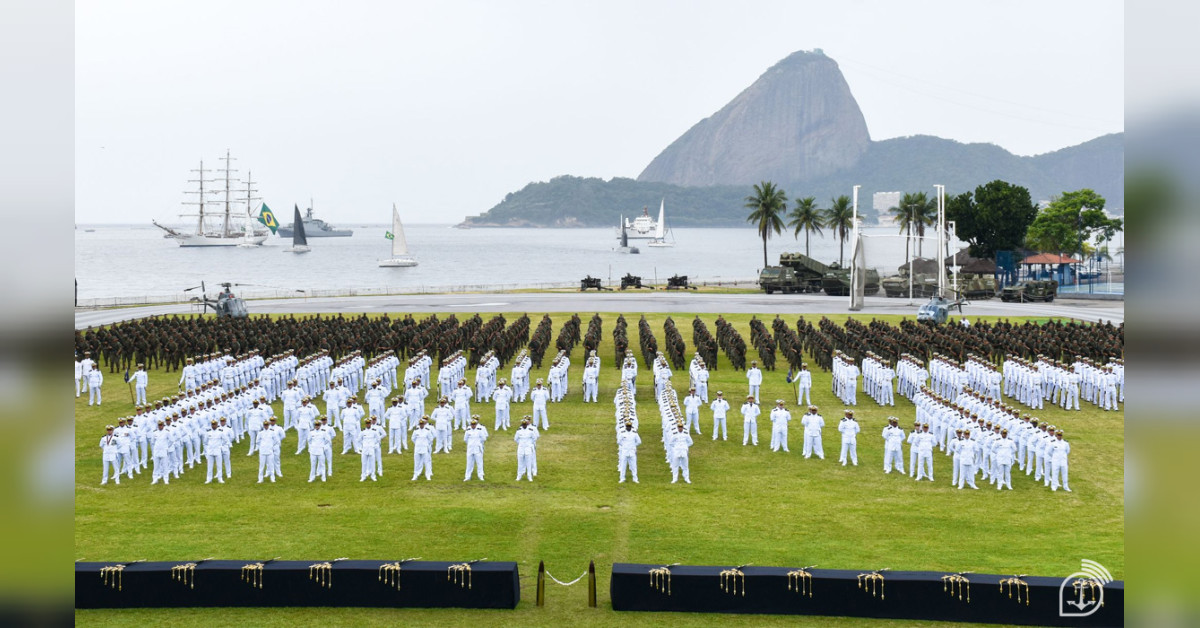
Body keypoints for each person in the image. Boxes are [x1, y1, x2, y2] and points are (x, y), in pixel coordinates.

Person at [463, 415, 489, 481]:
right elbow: (465, 439)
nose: (473, 426)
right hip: (470, 449)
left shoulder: (479, 429)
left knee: (479, 463)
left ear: (476, 424)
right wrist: (470, 444)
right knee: (469, 463)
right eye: (472, 424)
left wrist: (478, 443)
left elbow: (483, 438)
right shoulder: (468, 429)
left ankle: (480, 476)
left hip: (477, 448)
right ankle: (467, 476)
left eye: (474, 424)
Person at [410, 416, 435, 481]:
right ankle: (415, 475)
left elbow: (431, 438)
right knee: (416, 463)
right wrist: (417, 443)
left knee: (426, 462)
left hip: (424, 448)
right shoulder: (416, 431)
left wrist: (426, 444)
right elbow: (413, 438)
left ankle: (428, 475)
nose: (421, 425)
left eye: (422, 424)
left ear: (424, 424)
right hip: (417, 448)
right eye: (420, 424)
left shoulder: (427, 431)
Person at [514, 416, 539, 481]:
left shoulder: (530, 431)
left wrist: (529, 444)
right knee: (520, 462)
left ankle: (529, 476)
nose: (524, 426)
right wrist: (521, 443)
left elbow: (534, 438)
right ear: (522, 424)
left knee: (529, 462)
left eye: (525, 425)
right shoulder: (519, 431)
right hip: (521, 448)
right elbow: (516, 439)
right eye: (523, 425)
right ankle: (519, 476)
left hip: (528, 448)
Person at [203, 420, 225, 484]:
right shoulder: (208, 432)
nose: (213, 426)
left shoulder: (220, 432)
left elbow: (225, 440)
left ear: (217, 425)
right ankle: (209, 479)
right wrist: (207, 449)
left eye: (215, 424)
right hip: (210, 451)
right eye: (212, 425)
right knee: (209, 466)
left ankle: (220, 478)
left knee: (219, 466)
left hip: (217, 451)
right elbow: (205, 442)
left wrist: (221, 447)